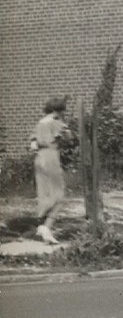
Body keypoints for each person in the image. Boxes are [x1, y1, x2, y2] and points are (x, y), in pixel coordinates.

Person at [30, 97, 73, 245]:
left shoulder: (40, 122)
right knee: (59, 195)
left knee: (44, 193)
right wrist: (65, 127)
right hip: (50, 157)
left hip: (38, 158)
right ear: (57, 111)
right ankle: (47, 228)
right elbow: (69, 138)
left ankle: (41, 226)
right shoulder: (55, 122)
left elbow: (33, 143)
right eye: (62, 111)